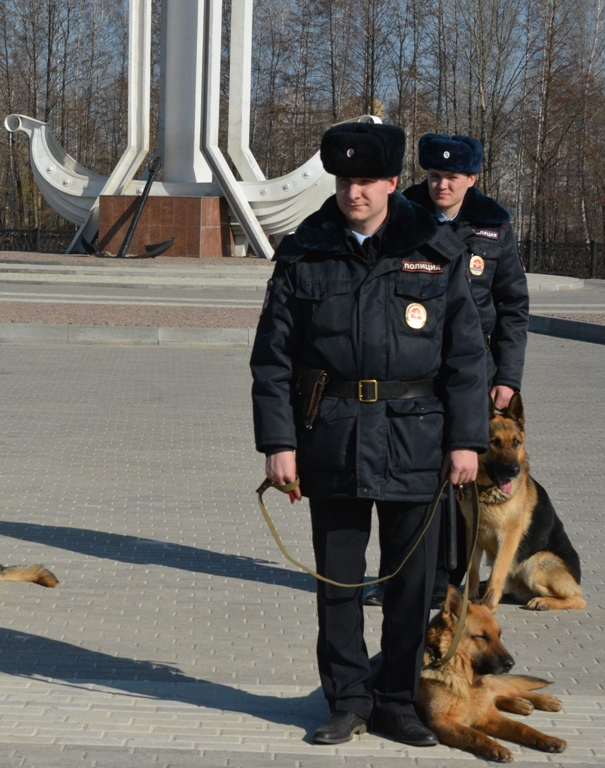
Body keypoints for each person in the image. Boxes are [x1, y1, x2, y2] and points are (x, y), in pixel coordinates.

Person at [250, 122, 488, 746]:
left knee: (411, 587)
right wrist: (279, 444)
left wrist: (468, 441)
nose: (354, 193)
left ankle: (397, 702)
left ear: (390, 182)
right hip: (332, 436)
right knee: (338, 583)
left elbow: (466, 357)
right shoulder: (306, 250)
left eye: (365, 182)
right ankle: (348, 701)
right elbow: (273, 358)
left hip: (418, 439)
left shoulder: (435, 249)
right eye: (344, 181)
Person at [365, 134, 529, 608]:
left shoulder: (493, 224)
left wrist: (508, 378)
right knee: (404, 476)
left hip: (472, 376)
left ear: (471, 180)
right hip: (412, 369)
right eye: (434, 176)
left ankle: (457, 582)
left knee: (466, 477)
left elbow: (513, 307)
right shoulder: (400, 212)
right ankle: (398, 576)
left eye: (451, 178)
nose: (441, 185)